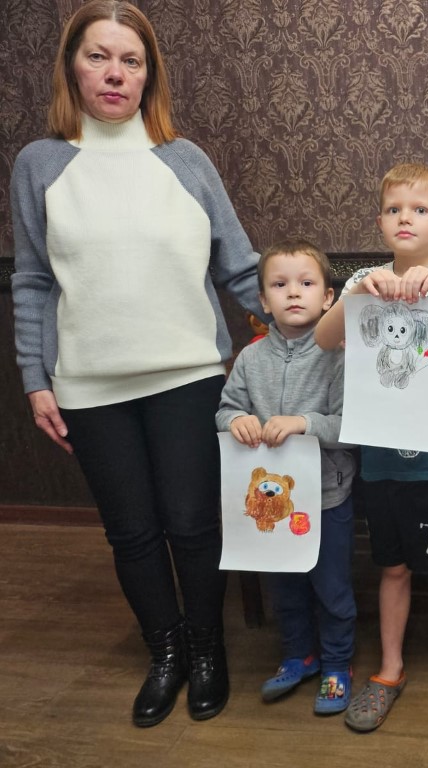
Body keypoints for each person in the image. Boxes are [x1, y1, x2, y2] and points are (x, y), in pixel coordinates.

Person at [10, 0, 266, 727]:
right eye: (98, 56)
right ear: (72, 67)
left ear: (150, 74)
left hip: (187, 375)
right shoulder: (39, 165)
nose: (115, 73)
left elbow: (241, 267)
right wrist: (34, 379)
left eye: (131, 60)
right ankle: (167, 651)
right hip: (87, 385)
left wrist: (323, 318)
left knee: (193, 524)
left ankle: (207, 648)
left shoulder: (185, 161)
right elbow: (31, 279)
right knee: (131, 532)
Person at [315, 162, 428, 731]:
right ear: (380, 223)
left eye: (419, 209)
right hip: (383, 441)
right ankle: (390, 667)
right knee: (391, 563)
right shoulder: (363, 280)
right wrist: (355, 293)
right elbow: (324, 338)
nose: (405, 218)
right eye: (393, 210)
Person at [216, 238, 357, 716]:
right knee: (285, 587)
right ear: (263, 299)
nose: (293, 292)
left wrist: (303, 423)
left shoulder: (339, 355)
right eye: (279, 285)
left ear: (328, 297)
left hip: (327, 497)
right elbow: (225, 410)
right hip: (269, 508)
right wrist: (236, 420)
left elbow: (350, 428)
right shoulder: (251, 358)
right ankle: (299, 656)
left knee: (331, 587)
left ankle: (337, 663)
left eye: (306, 283)